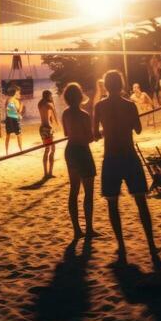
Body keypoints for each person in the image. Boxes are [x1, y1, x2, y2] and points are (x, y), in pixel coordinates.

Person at [94, 69, 159, 264]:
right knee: (141, 201)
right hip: (129, 157)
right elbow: (138, 129)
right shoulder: (130, 105)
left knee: (113, 204)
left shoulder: (99, 106)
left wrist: (107, 130)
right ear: (121, 85)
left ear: (106, 85)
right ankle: (151, 243)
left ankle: (121, 245)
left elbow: (95, 134)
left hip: (111, 158)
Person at [62, 82, 97, 240]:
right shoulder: (84, 115)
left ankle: (77, 229)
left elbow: (66, 133)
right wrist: (97, 135)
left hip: (70, 151)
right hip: (82, 151)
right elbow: (89, 138)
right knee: (88, 192)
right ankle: (88, 228)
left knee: (74, 191)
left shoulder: (65, 114)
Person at [38, 89, 59, 179]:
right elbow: (55, 118)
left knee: (47, 150)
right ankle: (49, 173)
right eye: (51, 96)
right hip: (48, 129)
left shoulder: (40, 104)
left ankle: (46, 173)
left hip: (42, 128)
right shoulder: (49, 105)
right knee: (52, 150)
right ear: (49, 96)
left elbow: (46, 115)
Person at [4, 85, 23, 154]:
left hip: (8, 119)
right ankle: (21, 150)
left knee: (8, 135)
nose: (20, 94)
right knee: (19, 134)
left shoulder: (8, 99)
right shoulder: (13, 100)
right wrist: (19, 113)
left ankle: (7, 152)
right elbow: (15, 113)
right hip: (14, 120)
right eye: (19, 93)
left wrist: (20, 107)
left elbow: (8, 111)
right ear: (16, 92)